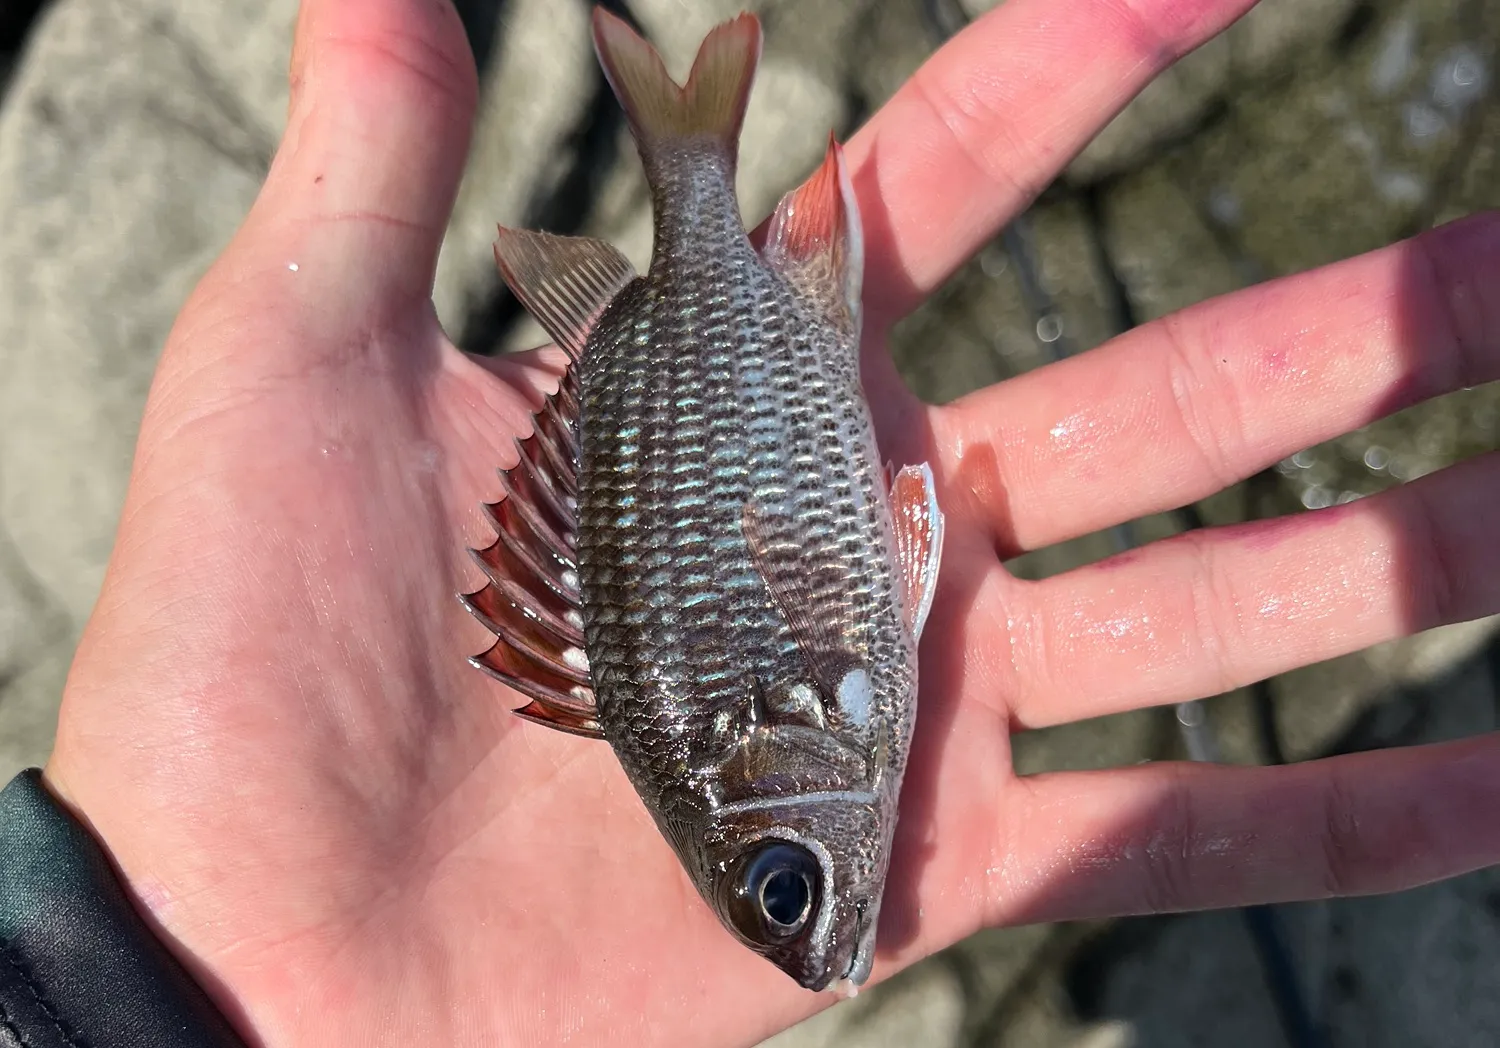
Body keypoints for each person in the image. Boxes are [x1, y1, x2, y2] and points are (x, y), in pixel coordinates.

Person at [1, 0, 1495, 1044]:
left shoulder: (804, 704)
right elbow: (898, 547)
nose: (831, 929)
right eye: (787, 897)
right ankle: (688, 168)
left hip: (705, 353)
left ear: (760, 757)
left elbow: (879, 557)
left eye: (788, 886)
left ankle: (685, 166)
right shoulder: (792, 720)